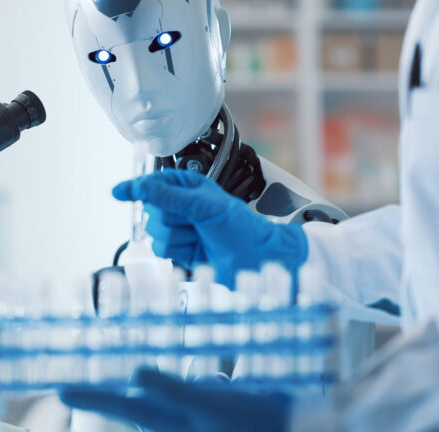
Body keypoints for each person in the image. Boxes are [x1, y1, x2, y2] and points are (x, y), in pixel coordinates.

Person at [59, 0, 439, 430]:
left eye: (164, 44)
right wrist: (296, 257)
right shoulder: (132, 258)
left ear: (217, 35)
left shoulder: (305, 221)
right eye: (103, 59)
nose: (139, 90)